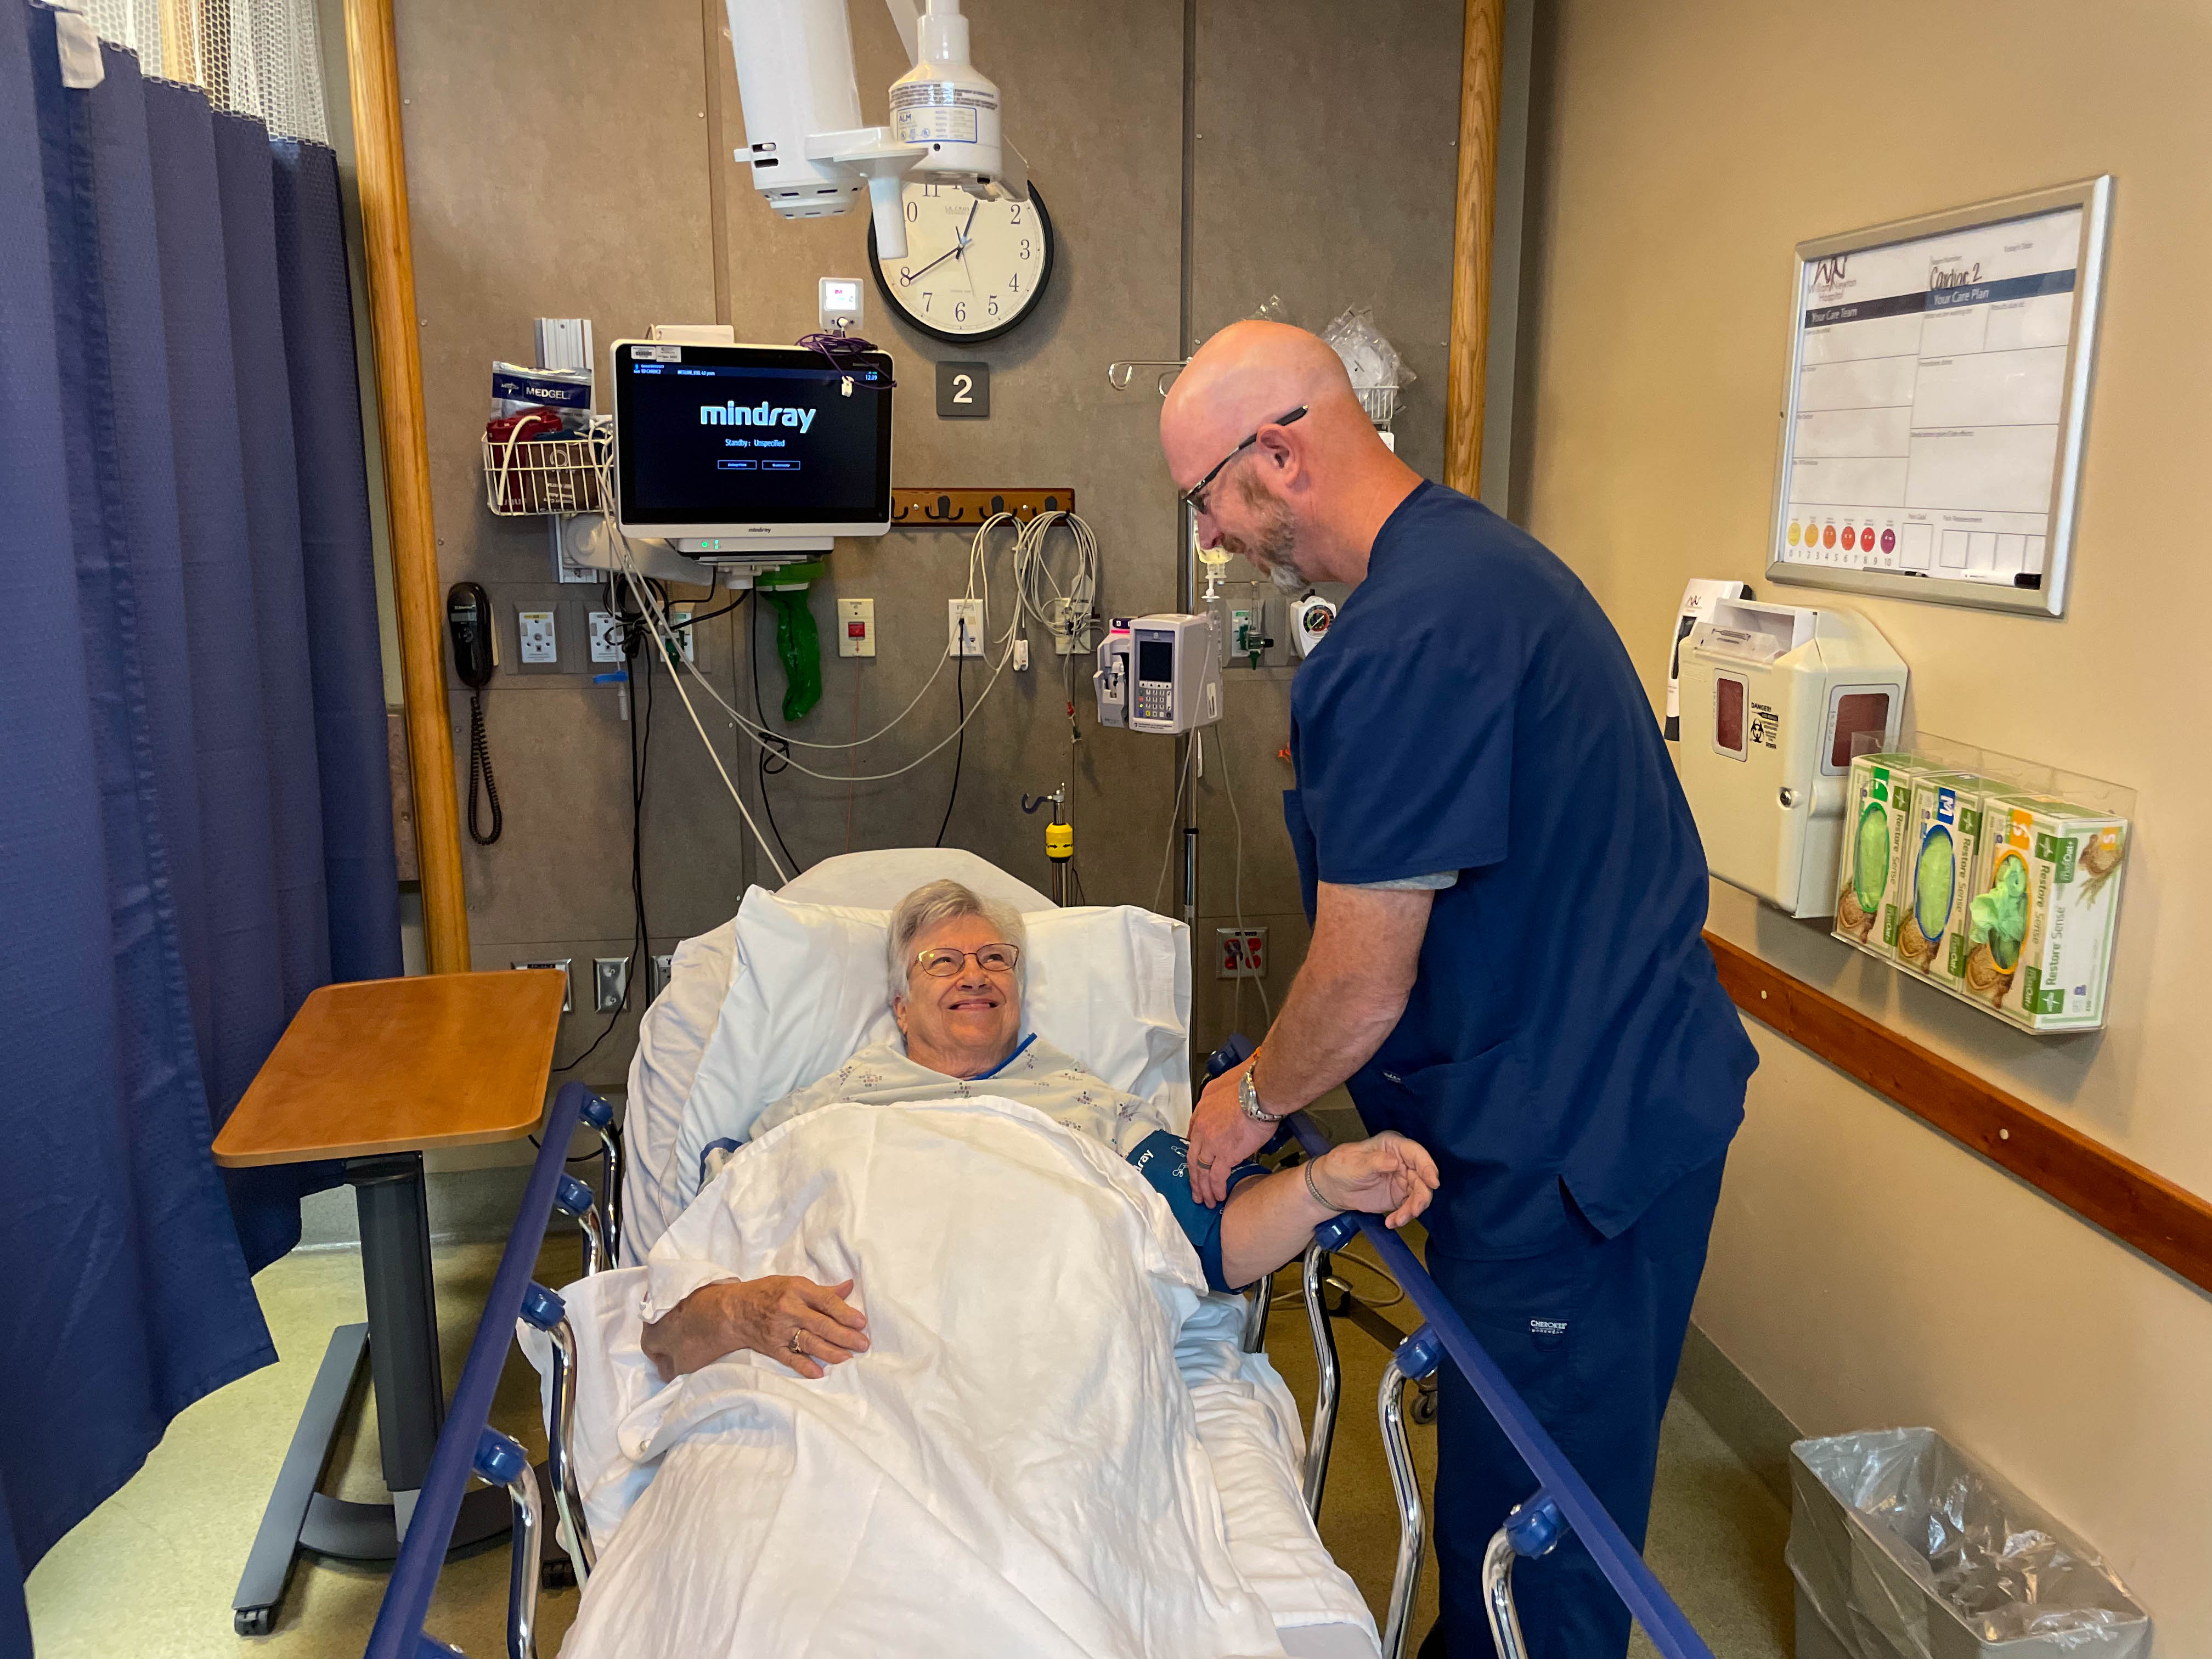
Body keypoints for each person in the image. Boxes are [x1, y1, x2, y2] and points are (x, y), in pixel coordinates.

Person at [1159, 321, 1759, 1659]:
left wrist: (1252, 1101)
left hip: (1572, 1159)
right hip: (1608, 1098)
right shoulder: (1472, 568)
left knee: (1536, 1535)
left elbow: (1364, 981)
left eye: (1209, 501)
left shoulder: (1410, 640)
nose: (1216, 541)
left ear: (1279, 454)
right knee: (1539, 1479)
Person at [642, 878, 1439, 1384]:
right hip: (861, 1366)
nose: (975, 974)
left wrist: (1320, 1185)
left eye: (996, 959)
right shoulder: (820, 1111)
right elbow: (691, 1284)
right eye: (942, 964)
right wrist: (745, 1309)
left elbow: (1215, 1244)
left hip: (1046, 1365)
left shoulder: (1093, 1108)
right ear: (899, 1009)